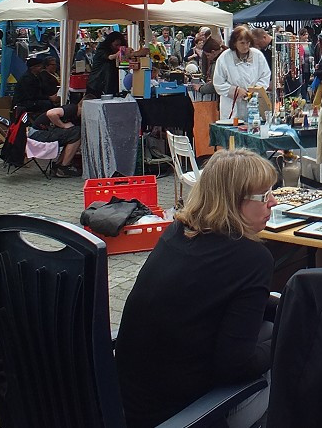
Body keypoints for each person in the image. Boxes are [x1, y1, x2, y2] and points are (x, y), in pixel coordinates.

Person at [116, 149, 277, 428]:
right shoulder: (252, 259)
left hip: (128, 402)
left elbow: (217, 298)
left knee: (269, 328)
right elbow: (236, 366)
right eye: (264, 196)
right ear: (234, 202)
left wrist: (291, 303)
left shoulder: (178, 232)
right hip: (186, 414)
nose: (273, 202)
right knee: (290, 349)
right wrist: (290, 336)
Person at [213, 25, 272, 120]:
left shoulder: (258, 55)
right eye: (242, 43)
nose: (246, 46)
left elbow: (265, 75)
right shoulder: (224, 57)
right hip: (232, 107)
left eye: (248, 43)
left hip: (253, 106)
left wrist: (254, 90)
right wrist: (236, 91)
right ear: (234, 43)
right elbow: (218, 83)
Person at [30, 103, 83, 178]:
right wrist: (63, 125)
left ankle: (59, 165)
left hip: (40, 133)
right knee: (77, 132)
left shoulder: (77, 116)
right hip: (38, 133)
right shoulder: (72, 109)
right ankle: (64, 167)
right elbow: (51, 113)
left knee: (72, 135)